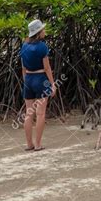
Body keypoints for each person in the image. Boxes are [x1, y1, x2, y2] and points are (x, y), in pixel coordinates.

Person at [20, 19, 56, 151]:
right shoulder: (42, 46)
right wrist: (52, 84)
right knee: (40, 114)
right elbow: (47, 68)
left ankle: (29, 144)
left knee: (29, 113)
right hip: (41, 79)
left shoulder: (24, 46)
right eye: (43, 30)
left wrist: (26, 81)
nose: (44, 31)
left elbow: (23, 67)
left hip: (28, 78)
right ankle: (38, 144)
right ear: (38, 32)